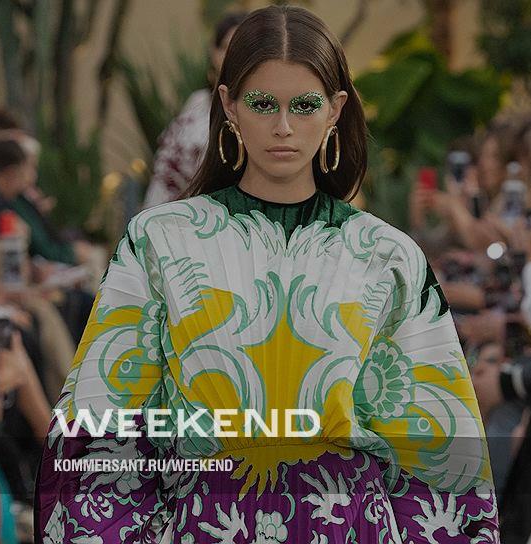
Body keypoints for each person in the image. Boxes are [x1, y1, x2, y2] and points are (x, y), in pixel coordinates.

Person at [36, 6, 498, 543]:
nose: (283, 126)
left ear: (335, 110)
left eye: (304, 105)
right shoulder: (158, 242)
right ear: (229, 105)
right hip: (204, 523)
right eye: (262, 104)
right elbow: (103, 420)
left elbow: (437, 444)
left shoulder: (387, 255)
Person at [141, 12, 247, 209]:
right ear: (213, 51)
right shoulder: (197, 102)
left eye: (241, 48)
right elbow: (166, 170)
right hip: (174, 212)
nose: (231, 56)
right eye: (225, 47)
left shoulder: (258, 110)